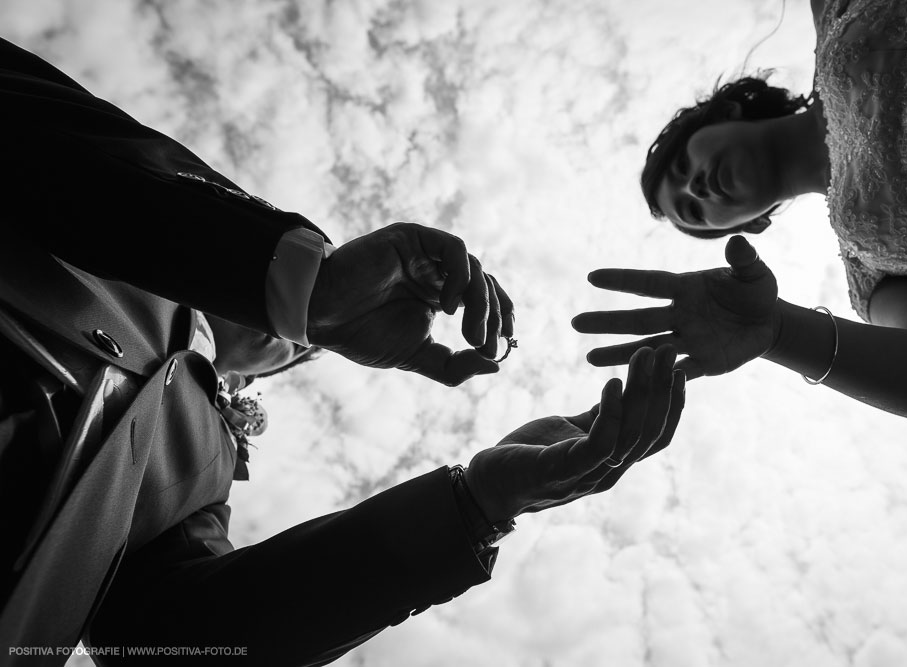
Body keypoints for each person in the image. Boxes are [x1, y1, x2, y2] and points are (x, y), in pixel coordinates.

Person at [0, 36, 687, 665]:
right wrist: (301, 282)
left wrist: (475, 503)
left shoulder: (200, 467)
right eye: (296, 331)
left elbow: (177, 641)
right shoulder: (118, 205)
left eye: (298, 351)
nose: (295, 346)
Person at [573, 0, 907, 429]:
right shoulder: (876, 268)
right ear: (752, 225)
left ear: (722, 117)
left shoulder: (834, 15)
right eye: (693, 210)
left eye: (682, 167)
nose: (695, 187)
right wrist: (780, 331)